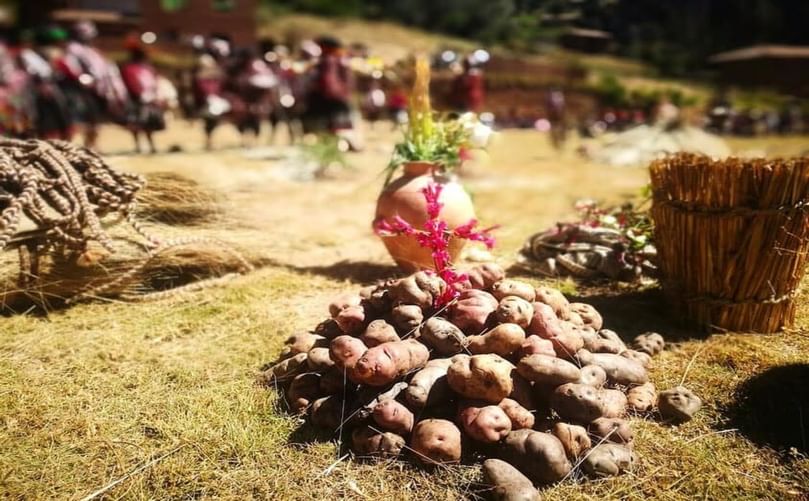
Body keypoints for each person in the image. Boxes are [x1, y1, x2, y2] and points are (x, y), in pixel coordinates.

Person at [57, 21, 128, 149]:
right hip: (78, 90)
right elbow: (71, 67)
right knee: (79, 121)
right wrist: (82, 79)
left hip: (96, 90)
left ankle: (91, 146)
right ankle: (73, 147)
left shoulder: (93, 51)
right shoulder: (72, 49)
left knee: (94, 121)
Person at [120, 42, 165, 153]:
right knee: (136, 124)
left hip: (150, 99)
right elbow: (128, 83)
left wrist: (155, 95)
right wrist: (138, 94)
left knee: (149, 124)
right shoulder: (128, 69)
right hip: (135, 100)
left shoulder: (148, 69)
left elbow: (155, 82)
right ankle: (138, 146)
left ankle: (151, 145)